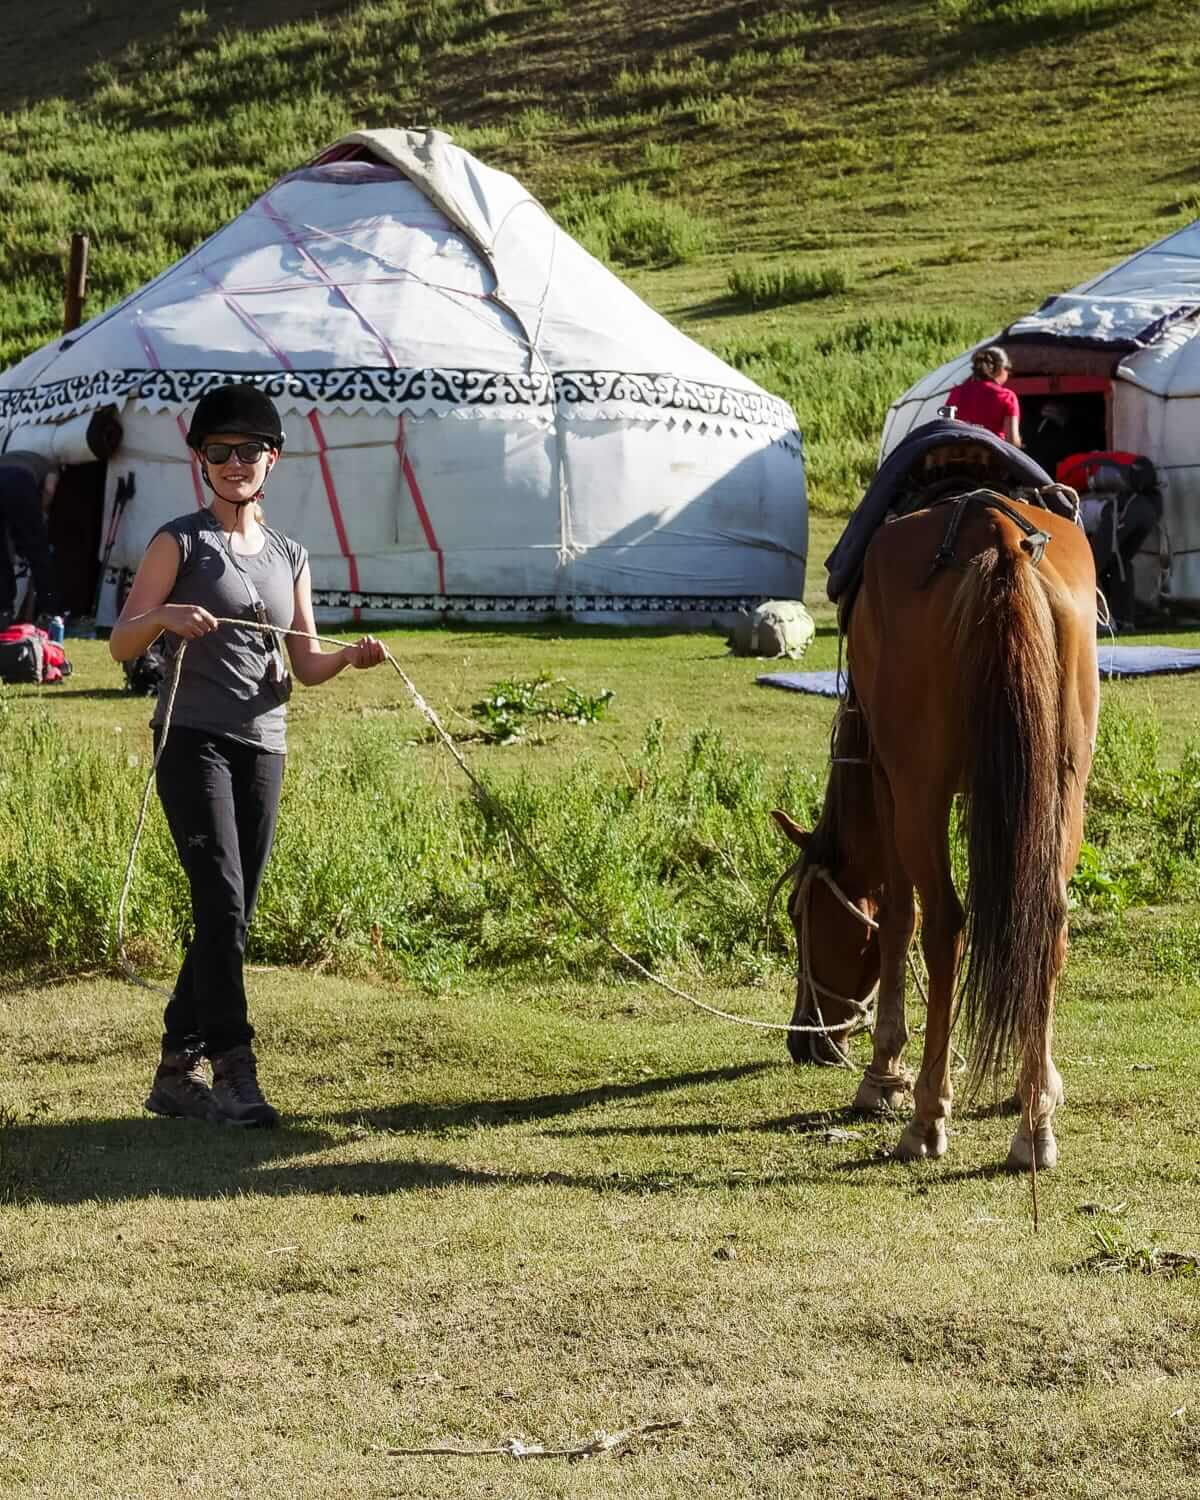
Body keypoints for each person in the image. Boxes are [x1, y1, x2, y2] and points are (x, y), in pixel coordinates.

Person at [109, 383, 386, 1127]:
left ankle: (175, 1068)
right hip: (191, 739)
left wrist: (351, 658)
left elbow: (304, 662)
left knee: (230, 914)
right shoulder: (179, 541)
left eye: (248, 451)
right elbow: (120, 642)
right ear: (200, 460)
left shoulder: (291, 553)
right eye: (219, 452)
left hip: (265, 744)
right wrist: (164, 615)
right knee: (223, 902)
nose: (235, 463)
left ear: (274, 460)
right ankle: (234, 1070)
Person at [0, 450, 62, 629]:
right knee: (38, 552)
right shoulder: (50, 466)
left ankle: (4, 610)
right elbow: (49, 489)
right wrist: (40, 513)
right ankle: (50, 611)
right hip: (20, 483)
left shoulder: (10, 455)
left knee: (1, 555)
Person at [946, 346, 1022, 447]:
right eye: (1008, 369)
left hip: (961, 453)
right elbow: (1012, 441)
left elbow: (945, 427)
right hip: (992, 455)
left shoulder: (956, 392)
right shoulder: (1007, 396)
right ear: (1001, 369)